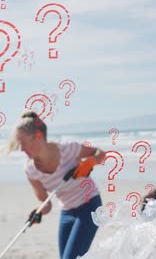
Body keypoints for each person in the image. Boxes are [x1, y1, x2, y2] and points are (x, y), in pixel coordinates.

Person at [6, 110, 106, 259]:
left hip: (89, 205)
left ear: (38, 136)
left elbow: (100, 154)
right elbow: (45, 203)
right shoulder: (31, 170)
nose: (21, 149)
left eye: (23, 143)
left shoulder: (67, 148)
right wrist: (37, 211)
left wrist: (90, 162)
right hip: (67, 212)